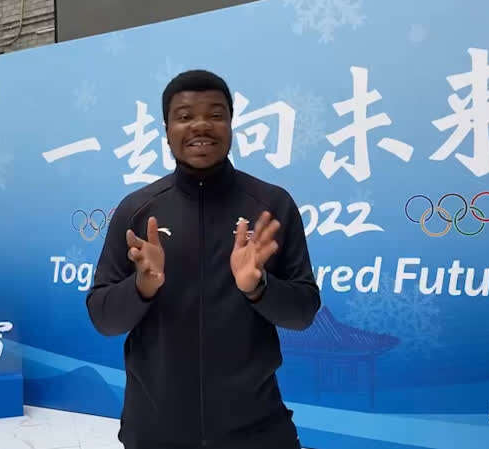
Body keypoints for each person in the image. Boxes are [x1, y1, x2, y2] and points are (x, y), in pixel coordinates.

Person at [86, 70, 320, 449]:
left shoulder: (271, 206)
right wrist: (141, 287)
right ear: (166, 130)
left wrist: (258, 287)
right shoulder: (137, 211)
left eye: (215, 114)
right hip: (155, 431)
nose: (200, 126)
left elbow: (303, 313)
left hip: (257, 431)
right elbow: (103, 317)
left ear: (231, 124)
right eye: (184, 116)